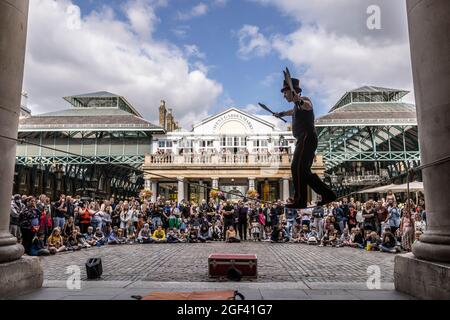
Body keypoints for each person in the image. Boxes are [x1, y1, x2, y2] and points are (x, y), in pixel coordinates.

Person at [275, 75, 336, 209]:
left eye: (285, 93)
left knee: (296, 168)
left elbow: (307, 106)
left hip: (306, 137)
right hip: (304, 139)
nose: (284, 96)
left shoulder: (304, 100)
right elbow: (294, 111)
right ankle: (328, 194)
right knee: (303, 171)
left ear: (293, 92)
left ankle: (301, 200)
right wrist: (282, 113)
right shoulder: (296, 106)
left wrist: (299, 101)